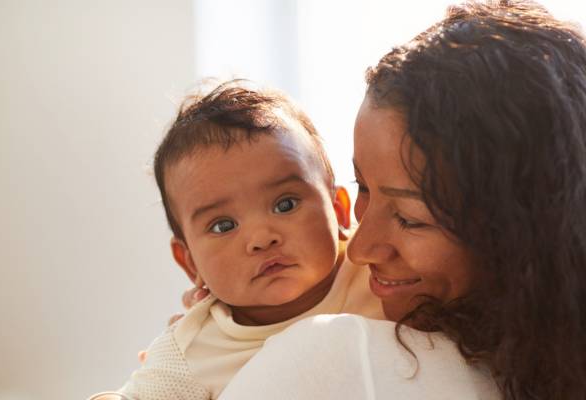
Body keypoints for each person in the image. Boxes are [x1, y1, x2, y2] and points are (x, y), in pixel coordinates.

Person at [209, 1, 586, 399]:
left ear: (525, 230)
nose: (358, 247)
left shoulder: (337, 356)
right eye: (362, 187)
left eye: (410, 218)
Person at [88, 81, 383, 400]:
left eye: (285, 204)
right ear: (190, 263)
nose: (260, 238)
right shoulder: (193, 346)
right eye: (224, 225)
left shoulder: (378, 271)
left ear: (338, 212)